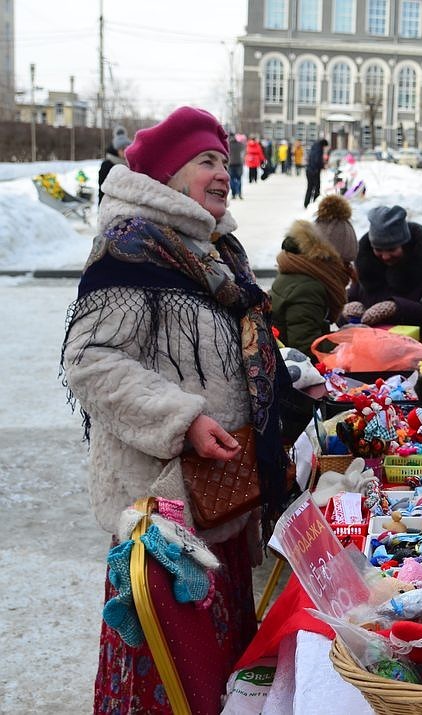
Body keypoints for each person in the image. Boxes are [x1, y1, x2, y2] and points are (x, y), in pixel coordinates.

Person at [61, 106, 291, 712]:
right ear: (167, 176)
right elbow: (90, 363)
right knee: (168, 675)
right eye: (205, 161)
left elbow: (226, 349)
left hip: (223, 497)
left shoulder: (214, 252)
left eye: (224, 159)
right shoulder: (132, 249)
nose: (222, 172)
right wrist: (182, 418)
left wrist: (282, 373)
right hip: (164, 514)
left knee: (216, 673)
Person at [342, 204, 422, 338]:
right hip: (368, 349)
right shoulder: (364, 272)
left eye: (392, 249)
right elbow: (343, 317)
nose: (385, 256)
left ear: (405, 245)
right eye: (378, 250)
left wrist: (398, 308)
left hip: (414, 352)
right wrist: (347, 311)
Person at [269, 214, 355, 359]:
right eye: (346, 263)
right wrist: (350, 345)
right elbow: (306, 347)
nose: (349, 270)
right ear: (331, 258)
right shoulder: (308, 288)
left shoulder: (300, 273)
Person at [97, 126, 131, 204]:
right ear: (116, 150)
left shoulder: (130, 164)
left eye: (127, 148)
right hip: (111, 205)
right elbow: (102, 190)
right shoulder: (107, 165)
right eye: (122, 149)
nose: (125, 151)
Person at [304, 138, 329, 208]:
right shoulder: (319, 149)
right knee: (317, 187)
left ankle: (306, 203)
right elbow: (317, 160)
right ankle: (315, 203)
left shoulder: (314, 147)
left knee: (310, 187)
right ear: (323, 145)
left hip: (309, 170)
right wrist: (322, 166)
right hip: (314, 171)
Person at [228, 132, 246, 200]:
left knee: (232, 179)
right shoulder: (240, 144)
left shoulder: (227, 145)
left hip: (231, 164)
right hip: (239, 163)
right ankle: (239, 193)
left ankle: (233, 194)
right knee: (239, 179)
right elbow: (244, 149)